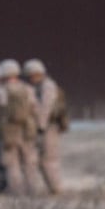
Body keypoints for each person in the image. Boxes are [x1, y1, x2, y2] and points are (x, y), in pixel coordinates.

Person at [0, 59, 40, 195]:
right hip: (27, 129)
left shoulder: (0, 91)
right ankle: (33, 190)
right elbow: (35, 110)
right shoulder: (28, 89)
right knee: (30, 162)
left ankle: (17, 192)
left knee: (12, 164)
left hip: (9, 131)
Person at [24, 58, 67, 195]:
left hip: (49, 127)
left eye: (33, 75)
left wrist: (40, 126)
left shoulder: (48, 86)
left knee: (49, 159)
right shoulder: (37, 87)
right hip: (43, 127)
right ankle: (52, 188)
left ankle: (56, 189)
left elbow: (46, 107)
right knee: (42, 160)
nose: (32, 78)